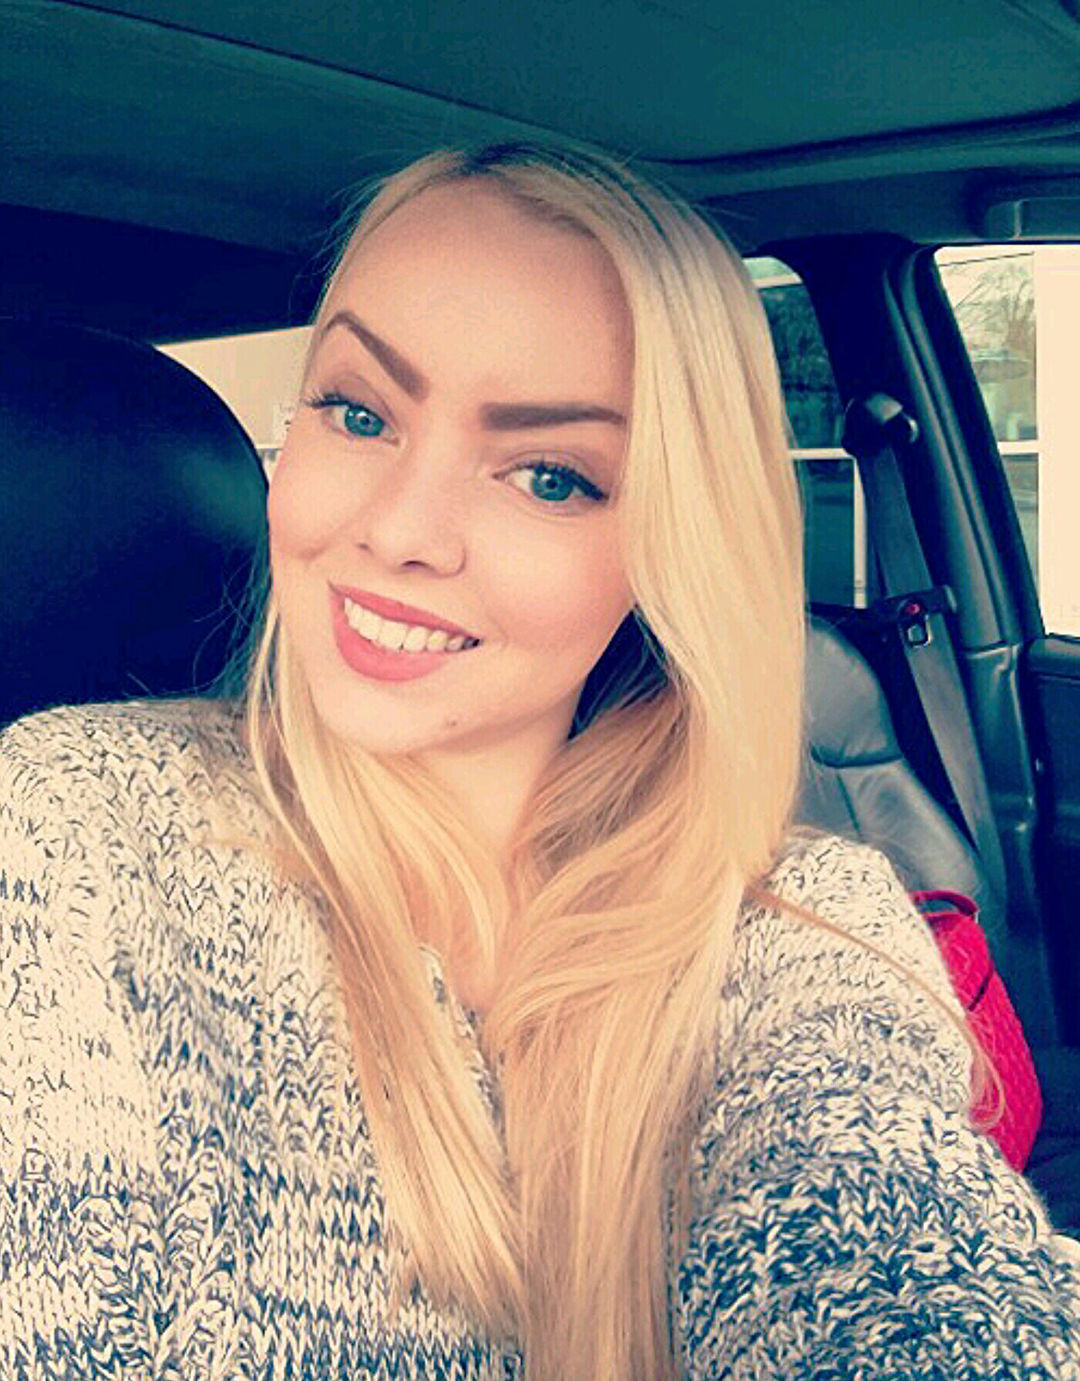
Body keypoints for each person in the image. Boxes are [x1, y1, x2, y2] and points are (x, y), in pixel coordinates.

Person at [1, 141, 1077, 1381]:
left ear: (674, 544)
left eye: (551, 476)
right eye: (360, 412)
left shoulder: (797, 924)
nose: (398, 530)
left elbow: (872, 1220)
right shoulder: (75, 829)